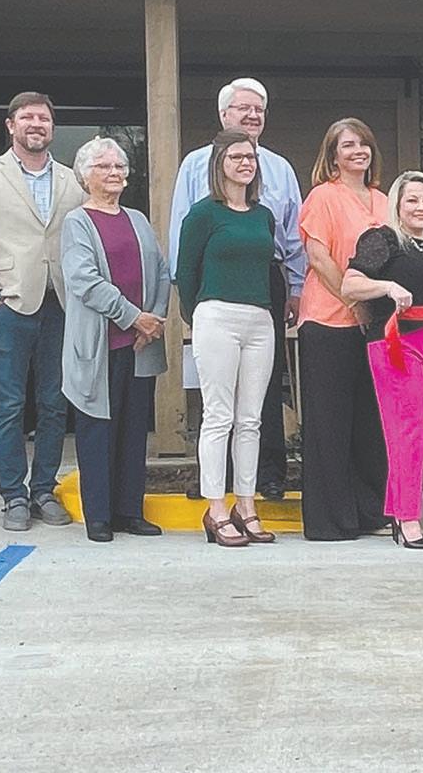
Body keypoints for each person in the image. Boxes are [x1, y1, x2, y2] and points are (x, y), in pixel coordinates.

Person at [167, 78, 307, 500]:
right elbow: (182, 232)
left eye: (258, 109)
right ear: (223, 114)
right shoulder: (195, 164)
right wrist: (191, 302)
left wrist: (296, 287)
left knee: (265, 385)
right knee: (215, 391)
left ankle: (268, 475)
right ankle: (216, 481)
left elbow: (293, 235)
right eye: (243, 108)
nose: (252, 115)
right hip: (215, 281)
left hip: (266, 277)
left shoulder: (280, 168)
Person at [0, 91, 86, 532]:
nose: (36, 124)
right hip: (9, 303)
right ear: (10, 125)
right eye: (27, 117)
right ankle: (13, 494)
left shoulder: (72, 180)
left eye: (44, 118)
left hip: (60, 304)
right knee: (9, 404)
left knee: (54, 403)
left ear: (53, 127)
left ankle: (43, 489)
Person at [344, 171, 423, 550]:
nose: (421, 207)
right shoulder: (383, 239)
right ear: (397, 206)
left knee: (418, 431)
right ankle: (407, 518)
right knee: (407, 432)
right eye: (412, 200)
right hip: (394, 343)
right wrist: (386, 286)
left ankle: (399, 511)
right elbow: (350, 284)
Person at [59, 137, 168, 543]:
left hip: (140, 345)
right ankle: (100, 516)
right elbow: (84, 280)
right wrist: (133, 317)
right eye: (104, 167)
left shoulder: (137, 219)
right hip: (100, 346)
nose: (115, 173)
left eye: (119, 166)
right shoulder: (77, 222)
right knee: (97, 430)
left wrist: (152, 321)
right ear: (85, 175)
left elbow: (161, 270)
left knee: (134, 430)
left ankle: (129, 511)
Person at [176, 129, 280, 547]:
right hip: (217, 314)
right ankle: (216, 508)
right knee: (218, 416)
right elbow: (186, 273)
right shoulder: (203, 215)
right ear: (219, 163)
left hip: (260, 319)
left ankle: (246, 504)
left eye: (250, 157)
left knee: (251, 419)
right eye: (235, 156)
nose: (244, 163)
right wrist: (198, 314)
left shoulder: (263, 216)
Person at [294, 118, 392, 541]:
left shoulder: (383, 201)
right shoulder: (323, 197)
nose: (358, 151)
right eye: (347, 145)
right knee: (329, 425)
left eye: (363, 143)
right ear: (332, 156)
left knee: (369, 425)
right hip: (328, 323)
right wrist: (355, 303)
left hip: (375, 327)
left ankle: (369, 512)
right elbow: (319, 259)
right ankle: (330, 521)